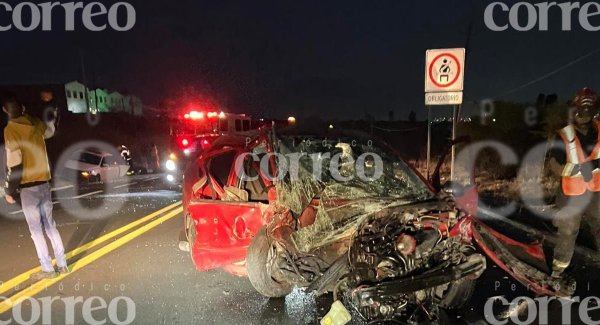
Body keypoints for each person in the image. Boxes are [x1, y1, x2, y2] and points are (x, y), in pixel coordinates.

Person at [3, 96, 69, 280]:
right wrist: (52, 109)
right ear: (23, 107)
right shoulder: (36, 124)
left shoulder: (11, 129)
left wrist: (9, 190)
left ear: (5, 111)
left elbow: (15, 163)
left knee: (36, 230)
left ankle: (47, 269)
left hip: (28, 187)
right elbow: (50, 130)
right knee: (50, 226)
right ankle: (62, 264)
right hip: (44, 183)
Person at [549, 87, 600, 280]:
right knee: (568, 232)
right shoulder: (563, 135)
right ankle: (558, 272)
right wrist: (581, 169)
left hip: (596, 191)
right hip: (571, 194)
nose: (583, 116)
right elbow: (555, 166)